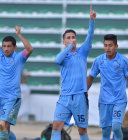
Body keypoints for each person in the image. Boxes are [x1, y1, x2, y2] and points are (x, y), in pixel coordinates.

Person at [51, 5, 96, 140]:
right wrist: (70, 47)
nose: (72, 39)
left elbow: (90, 36)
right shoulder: (63, 56)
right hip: (64, 97)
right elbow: (56, 60)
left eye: (74, 37)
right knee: (56, 127)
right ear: (64, 41)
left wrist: (92, 21)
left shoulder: (82, 52)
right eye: (69, 38)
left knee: (82, 130)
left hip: (79, 97)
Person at [0, 22, 33, 140]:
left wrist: (19, 34)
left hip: (12, 97)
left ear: (14, 47)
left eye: (9, 46)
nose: (6, 49)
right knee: (6, 129)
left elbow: (30, 48)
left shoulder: (19, 58)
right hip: (0, 96)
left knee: (2, 125)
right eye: (4, 46)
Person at [87, 34, 128, 140]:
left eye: (110, 45)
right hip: (104, 101)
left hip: (119, 100)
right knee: (106, 132)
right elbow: (91, 77)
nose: (107, 48)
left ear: (116, 46)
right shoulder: (98, 60)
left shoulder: (124, 61)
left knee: (116, 127)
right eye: (105, 45)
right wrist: (84, 91)